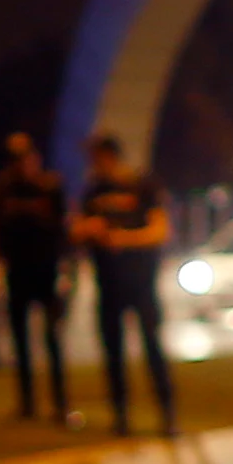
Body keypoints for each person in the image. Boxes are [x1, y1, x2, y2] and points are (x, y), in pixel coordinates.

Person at [74, 132, 177, 439]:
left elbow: (160, 231)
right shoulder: (94, 190)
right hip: (108, 285)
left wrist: (123, 238)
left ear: (108, 155)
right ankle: (121, 417)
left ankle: (167, 415)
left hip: (141, 283)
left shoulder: (143, 185)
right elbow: (77, 227)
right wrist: (89, 229)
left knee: (153, 349)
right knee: (113, 354)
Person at [0, 133, 73, 424]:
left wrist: (66, 269)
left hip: (46, 269)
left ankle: (61, 403)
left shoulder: (49, 187)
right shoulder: (5, 189)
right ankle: (28, 403)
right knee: (20, 341)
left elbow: (63, 228)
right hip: (18, 270)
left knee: (52, 338)